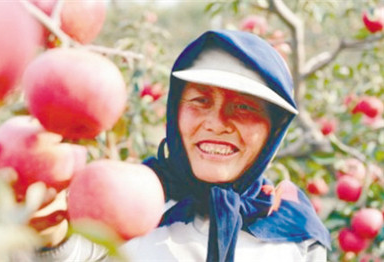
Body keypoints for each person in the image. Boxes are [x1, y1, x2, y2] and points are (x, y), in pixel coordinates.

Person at [37, 29, 331, 261]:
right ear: (175, 110)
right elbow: (63, 253)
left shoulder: (295, 230)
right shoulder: (129, 200)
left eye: (243, 107)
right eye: (200, 101)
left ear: (274, 129)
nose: (217, 123)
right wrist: (47, 229)